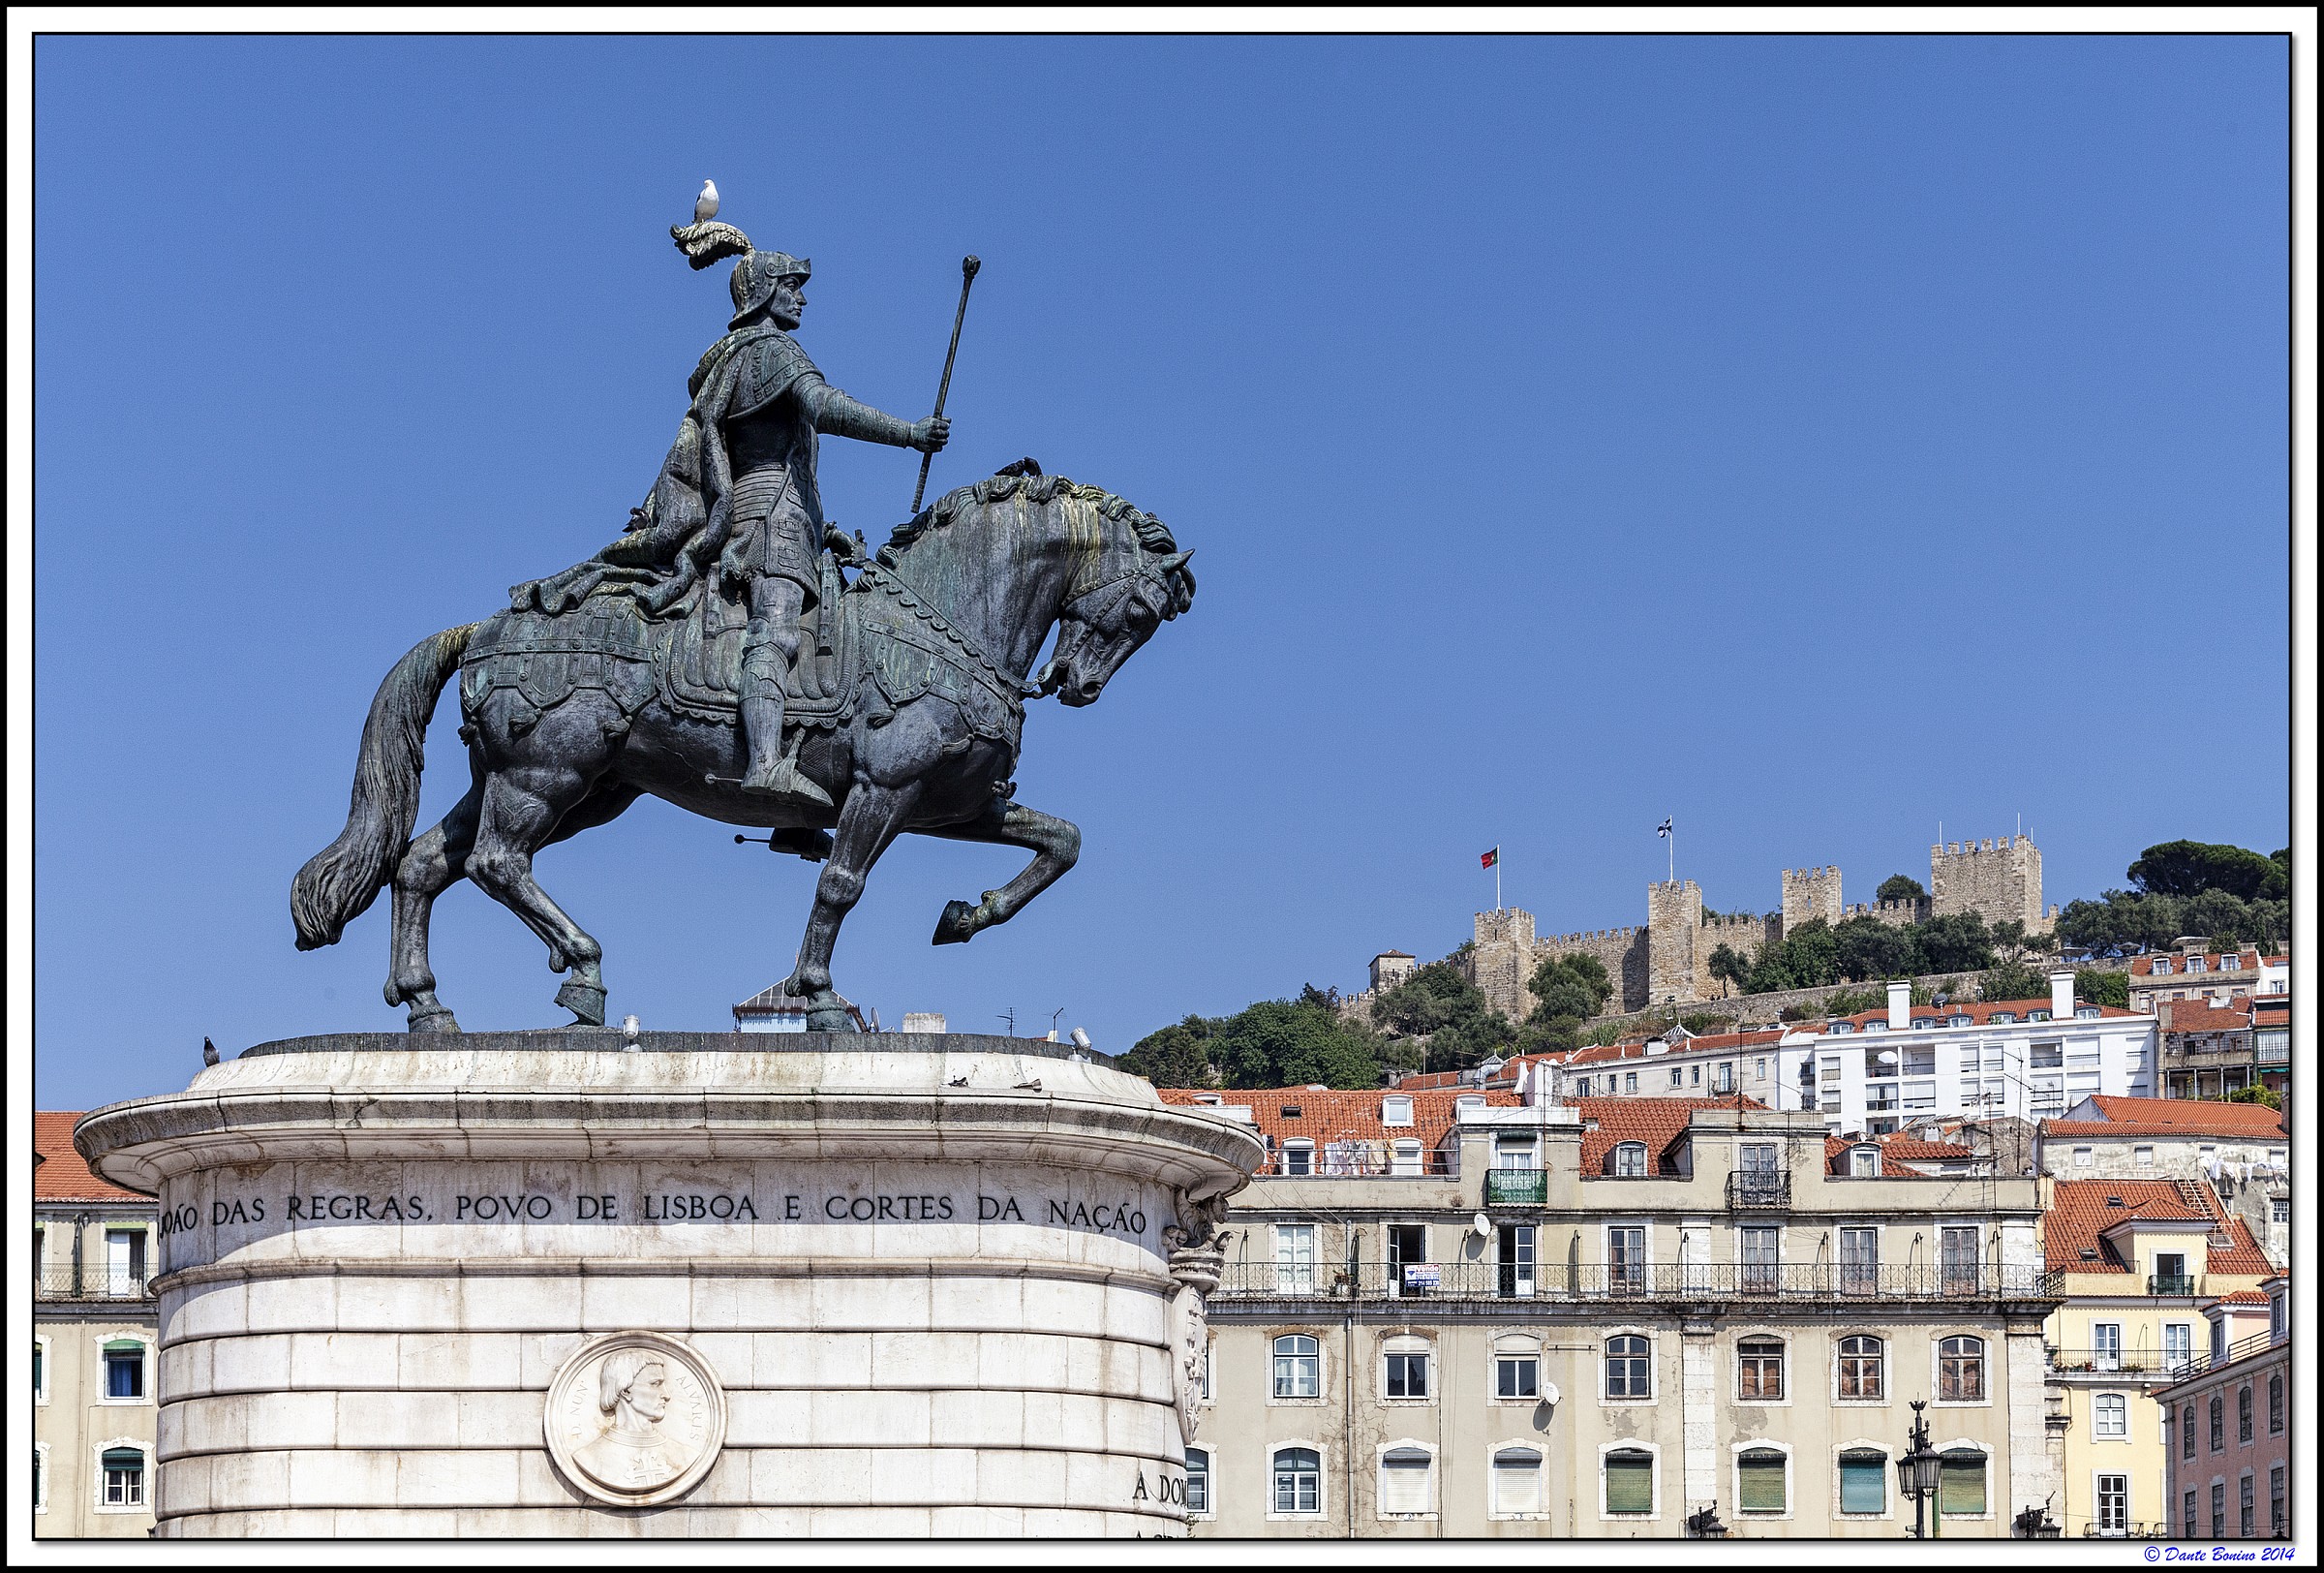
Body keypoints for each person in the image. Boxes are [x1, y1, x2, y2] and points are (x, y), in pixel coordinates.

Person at [633, 221, 948, 806]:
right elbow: (823, 408)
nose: (802, 296)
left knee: (822, 640)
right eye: (791, 285)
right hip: (769, 523)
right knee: (775, 634)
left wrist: (825, 529)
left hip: (793, 519)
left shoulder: (744, 358)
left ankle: (801, 792)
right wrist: (910, 434)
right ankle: (765, 763)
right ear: (764, 293)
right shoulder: (772, 352)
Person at [571, 1351, 688, 1491]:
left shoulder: (685, 1455)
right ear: (625, 1391)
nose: (666, 1395)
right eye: (655, 1383)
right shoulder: (589, 1458)